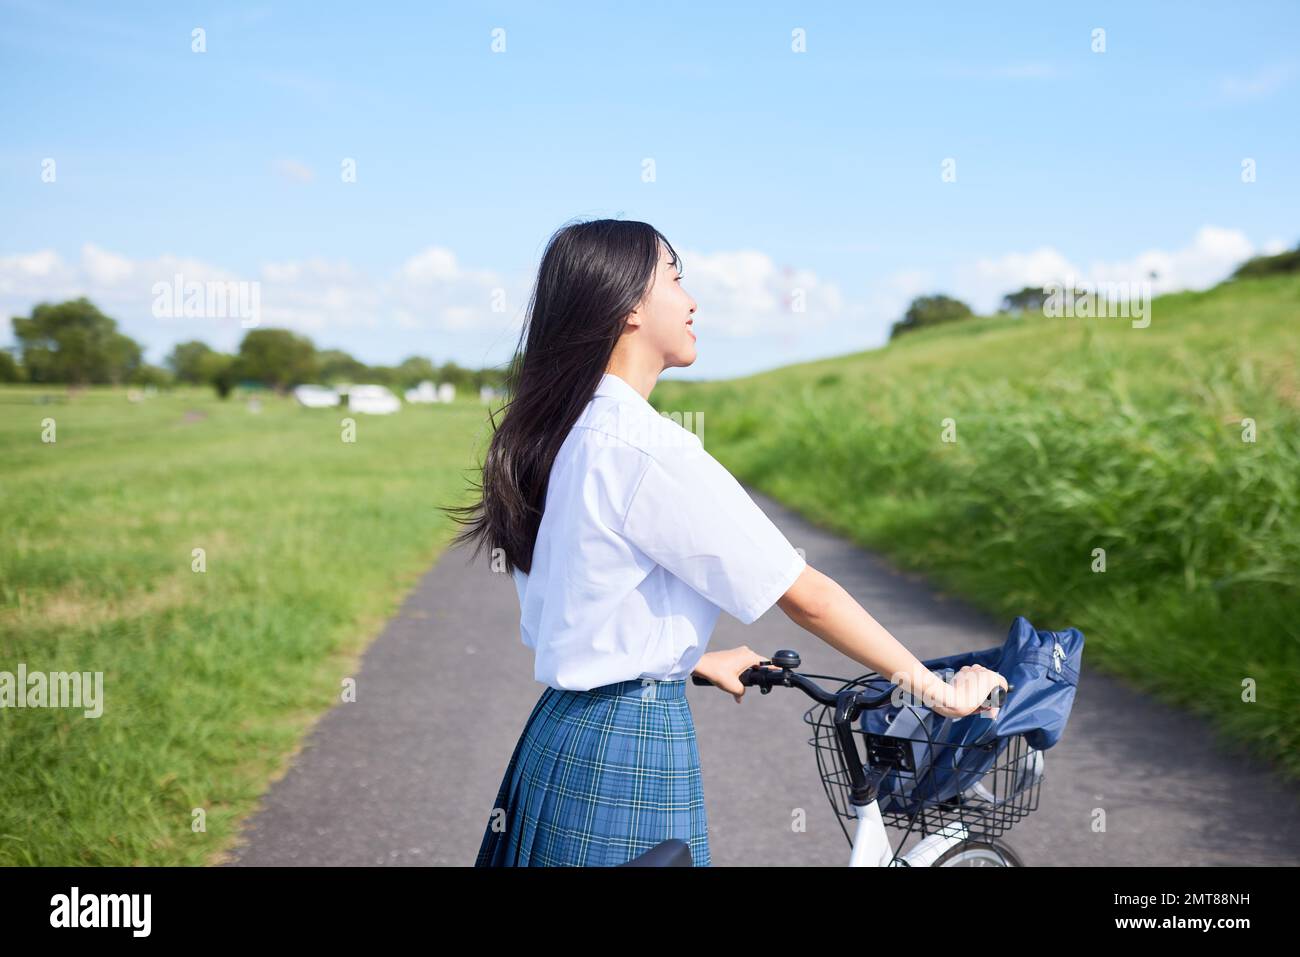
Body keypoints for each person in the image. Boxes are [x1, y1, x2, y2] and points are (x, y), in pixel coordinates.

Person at [445, 218, 1008, 867]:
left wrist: (686, 659)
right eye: (676, 279)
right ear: (628, 305)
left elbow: (581, 598)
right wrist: (936, 690)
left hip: (562, 736)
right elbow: (807, 596)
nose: (692, 301)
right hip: (631, 749)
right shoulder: (649, 448)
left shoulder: (563, 436)